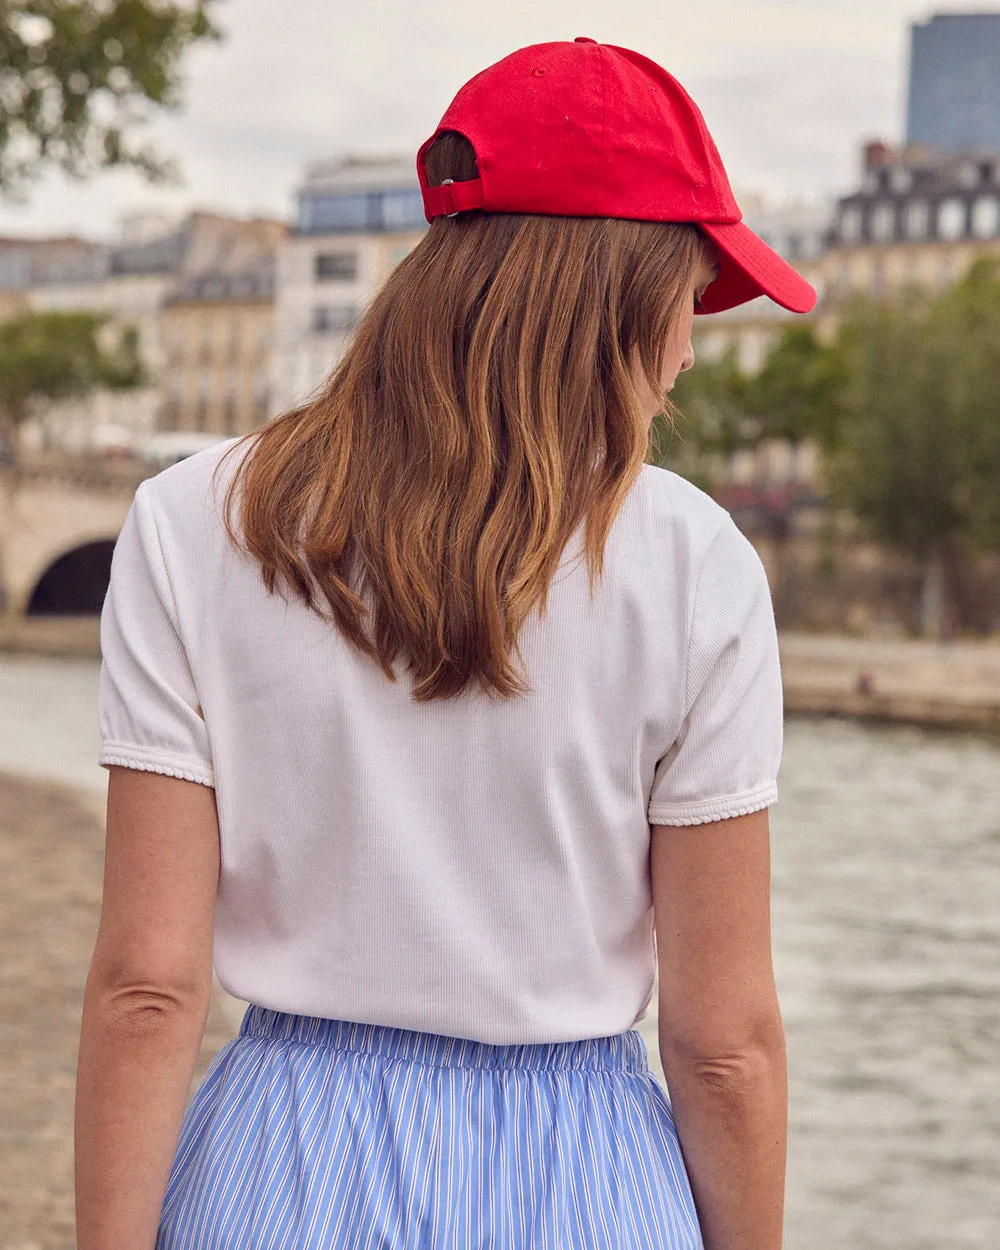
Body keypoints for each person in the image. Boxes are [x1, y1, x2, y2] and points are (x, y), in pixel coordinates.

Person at [75, 37, 815, 1250]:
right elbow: (722, 1041)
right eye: (689, 301)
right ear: (624, 299)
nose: (686, 352)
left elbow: (148, 985)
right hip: (583, 1176)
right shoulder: (695, 565)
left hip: (283, 1157)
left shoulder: (190, 521)